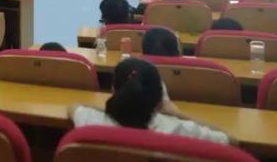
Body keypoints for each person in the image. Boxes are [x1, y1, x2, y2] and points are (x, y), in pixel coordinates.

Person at [69, 58, 229, 143]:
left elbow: (75, 106)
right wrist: (178, 113)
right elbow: (229, 140)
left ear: (113, 90)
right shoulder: (179, 129)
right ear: (159, 99)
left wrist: (112, 107)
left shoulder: (91, 120)